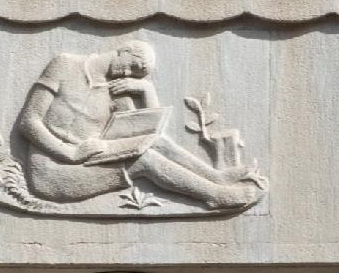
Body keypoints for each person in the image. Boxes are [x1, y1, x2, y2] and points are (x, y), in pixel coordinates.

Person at [14, 40, 265, 209]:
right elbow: (29, 121)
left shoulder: (116, 90)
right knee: (142, 162)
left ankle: (215, 177)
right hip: (53, 172)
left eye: (137, 74)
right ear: (124, 50)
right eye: (134, 67)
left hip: (92, 158)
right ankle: (215, 196)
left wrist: (146, 90)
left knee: (155, 144)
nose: (128, 75)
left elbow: (145, 131)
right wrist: (70, 152)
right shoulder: (65, 64)